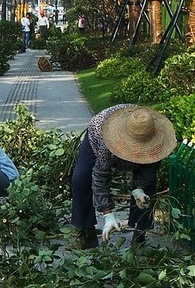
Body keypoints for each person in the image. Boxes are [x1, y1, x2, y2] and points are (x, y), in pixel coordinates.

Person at [70, 104, 179, 248]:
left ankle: (139, 235)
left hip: (142, 136)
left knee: (148, 188)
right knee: (81, 180)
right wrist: (108, 214)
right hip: (98, 135)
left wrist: (139, 189)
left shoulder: (157, 140)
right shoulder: (108, 140)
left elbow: (150, 168)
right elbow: (100, 176)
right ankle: (87, 233)